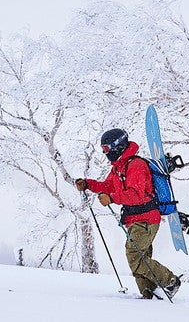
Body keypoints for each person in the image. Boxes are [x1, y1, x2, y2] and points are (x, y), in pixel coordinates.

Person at [74, 127, 181, 300]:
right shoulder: (118, 167)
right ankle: (149, 293)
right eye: (103, 150)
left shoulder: (136, 165)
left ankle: (170, 282)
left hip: (146, 219)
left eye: (107, 149)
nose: (105, 153)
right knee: (140, 256)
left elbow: (137, 194)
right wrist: (88, 184)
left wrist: (112, 198)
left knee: (134, 255)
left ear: (118, 146)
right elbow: (108, 186)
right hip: (134, 220)